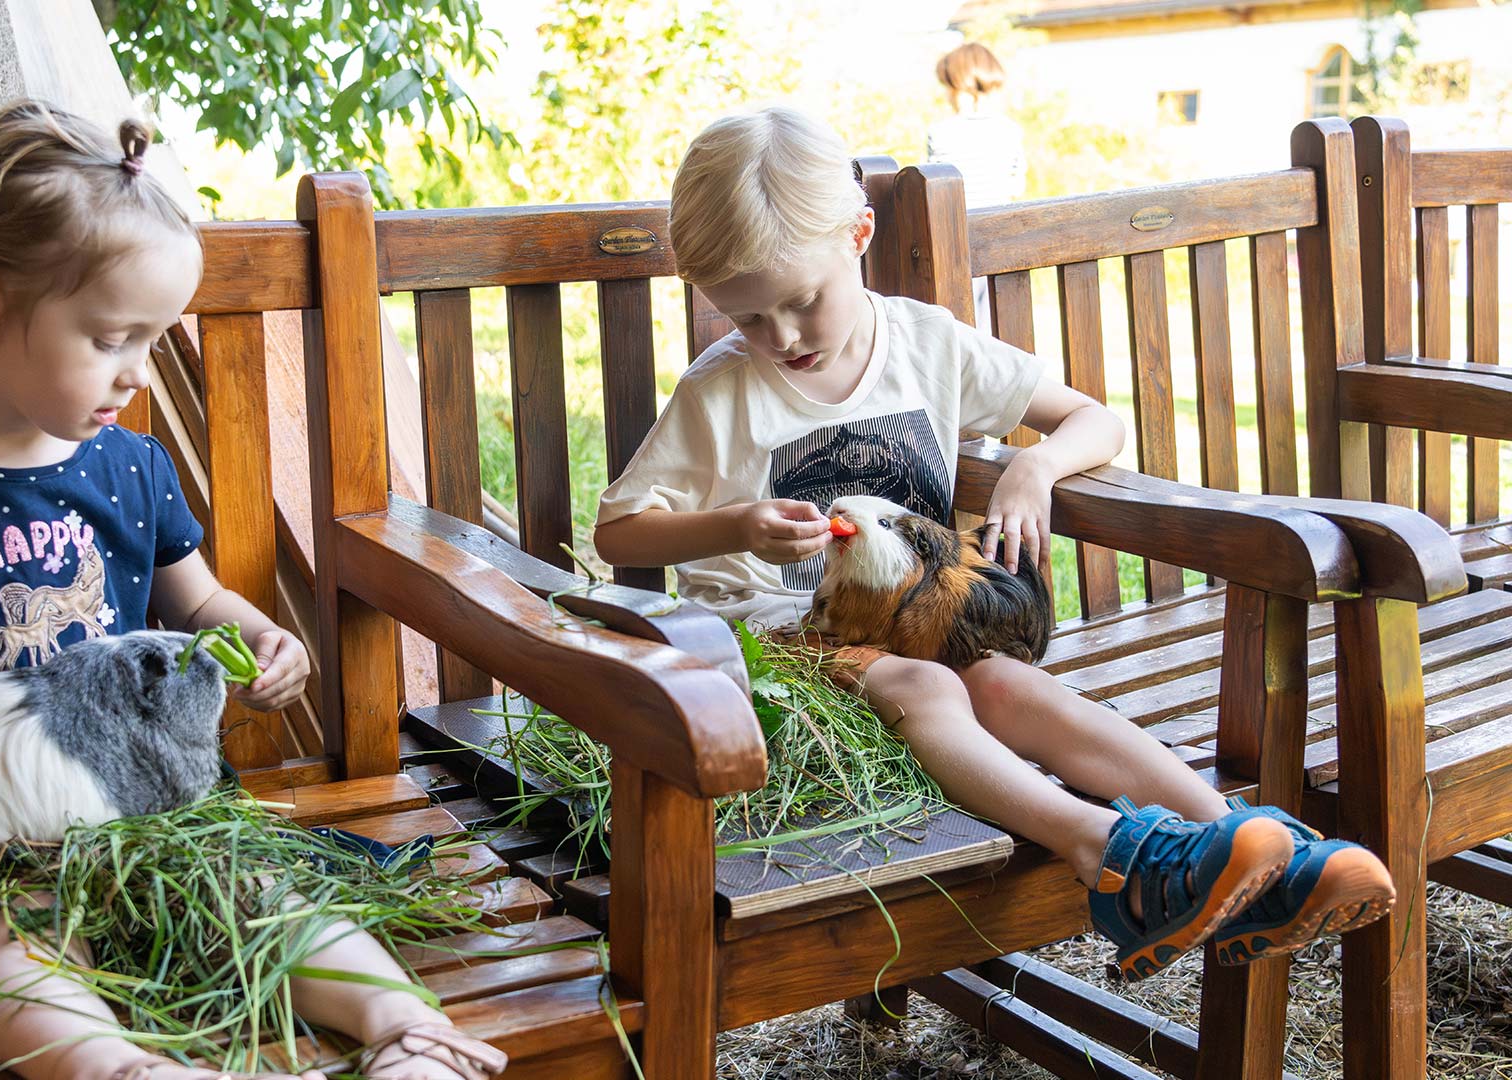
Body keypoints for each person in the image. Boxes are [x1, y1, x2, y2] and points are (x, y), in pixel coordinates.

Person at [0, 99, 504, 1080]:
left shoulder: (130, 468)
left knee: (265, 892)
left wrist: (257, 636)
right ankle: (132, 1073)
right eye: (112, 339)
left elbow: (198, 605)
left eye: (153, 340)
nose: (136, 372)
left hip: (147, 816)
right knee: (21, 959)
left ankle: (411, 1038)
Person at [594, 106, 1398, 983]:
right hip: (774, 647)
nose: (780, 338)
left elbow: (1095, 418)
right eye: (748, 318)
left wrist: (1034, 469)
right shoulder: (721, 392)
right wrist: (733, 524)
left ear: (858, 235)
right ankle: (1110, 855)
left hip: (910, 626)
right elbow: (620, 528)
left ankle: (1263, 851)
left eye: (800, 302)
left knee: (1008, 683)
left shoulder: (926, 345)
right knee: (926, 683)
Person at [924, 41, 1026, 325]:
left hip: (955, 242)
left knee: (965, 323)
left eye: (948, 87)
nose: (946, 95)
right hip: (1001, 239)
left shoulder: (940, 132)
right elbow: (1016, 187)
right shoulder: (1010, 131)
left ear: (960, 85)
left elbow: (934, 191)